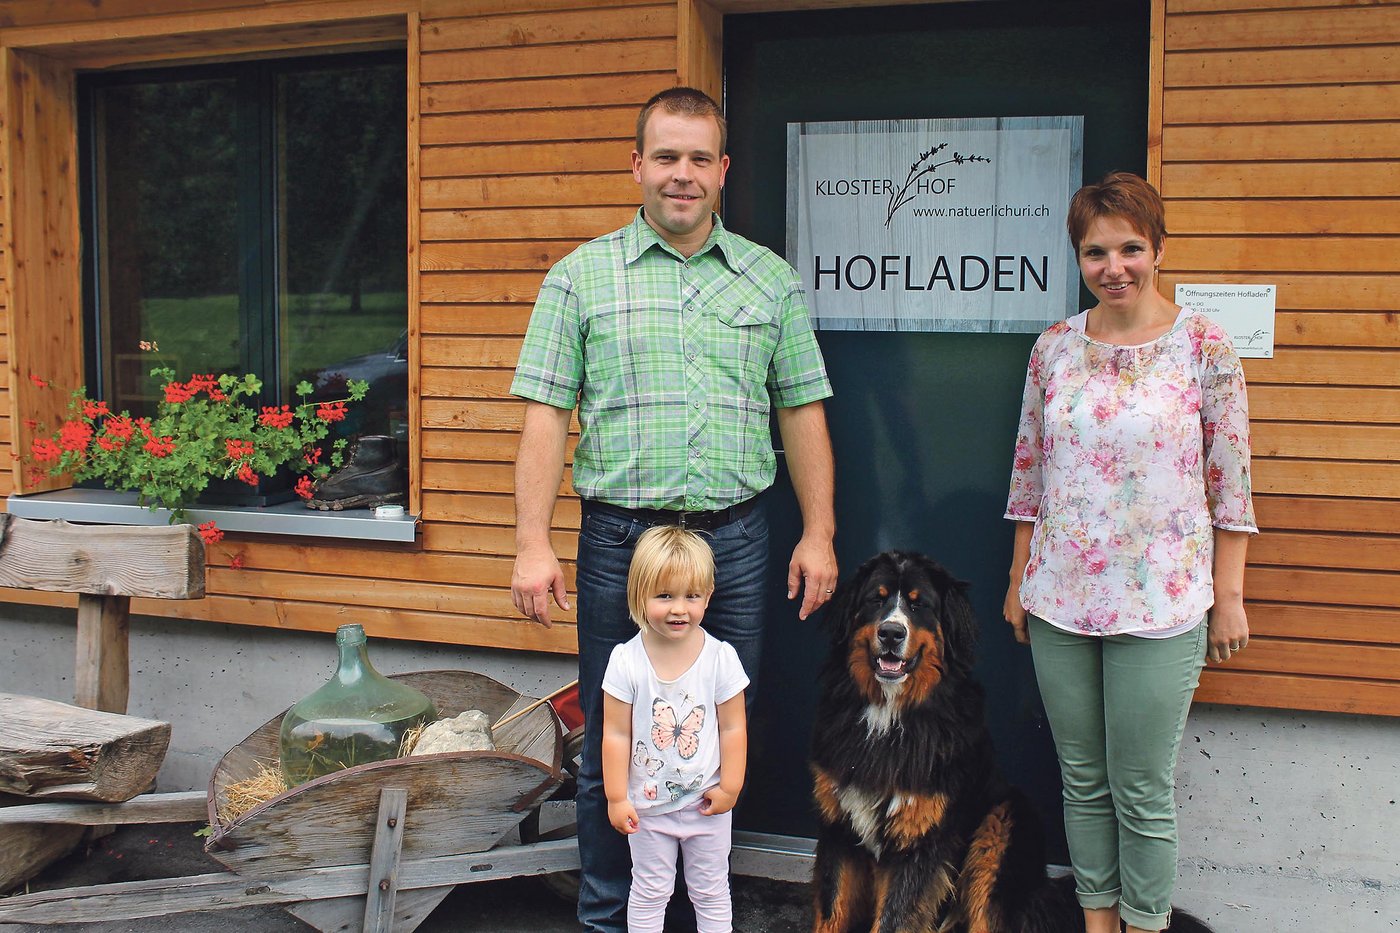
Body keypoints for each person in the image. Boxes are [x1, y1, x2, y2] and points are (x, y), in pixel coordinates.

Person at [509, 86, 837, 933]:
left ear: (723, 170)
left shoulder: (769, 280)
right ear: (637, 165)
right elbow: (545, 413)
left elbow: (801, 408)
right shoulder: (579, 279)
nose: (681, 174)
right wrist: (531, 542)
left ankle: (696, 917)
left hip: (736, 543)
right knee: (612, 736)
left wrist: (819, 531)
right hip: (621, 541)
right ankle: (609, 919)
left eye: (698, 158)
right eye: (665, 156)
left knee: (721, 735)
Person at [1002, 171, 1257, 933]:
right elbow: (1029, 471)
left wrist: (1229, 596)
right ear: (1079, 257)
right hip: (1060, 598)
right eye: (1095, 252)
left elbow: (1231, 481)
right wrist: (1018, 578)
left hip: (1163, 602)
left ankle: (1144, 925)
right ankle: (1097, 924)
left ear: (1159, 249)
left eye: (1130, 248)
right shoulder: (1054, 347)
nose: (1113, 267)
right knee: (1082, 780)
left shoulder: (1204, 345)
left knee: (1141, 788)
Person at [602, 525, 748, 933]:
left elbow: (733, 727)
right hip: (647, 808)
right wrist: (616, 797)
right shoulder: (626, 661)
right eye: (664, 596)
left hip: (706, 803)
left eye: (691, 596)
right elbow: (615, 733)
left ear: (708, 595)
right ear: (639, 595)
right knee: (650, 891)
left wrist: (731, 786)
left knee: (711, 889)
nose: (679, 609)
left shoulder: (720, 658)